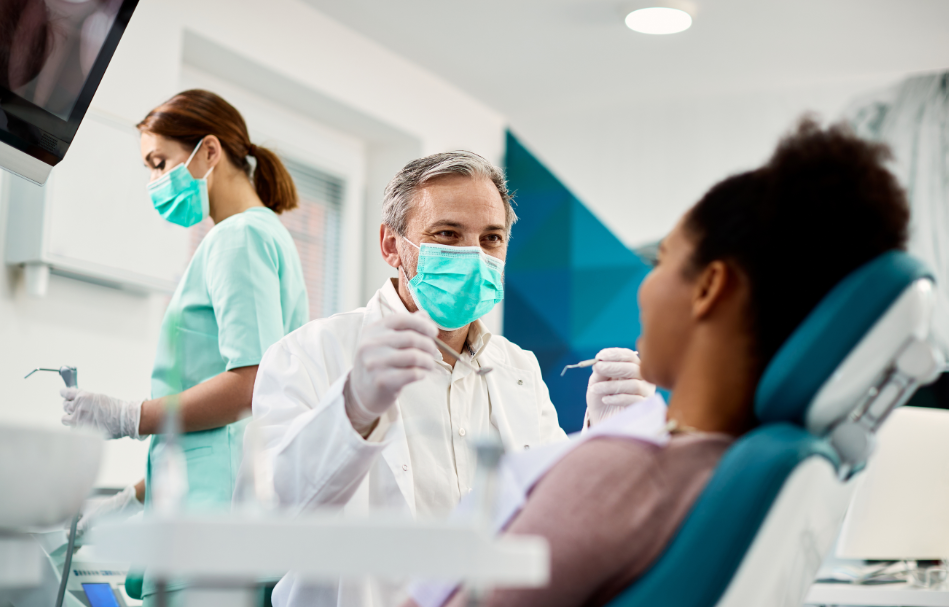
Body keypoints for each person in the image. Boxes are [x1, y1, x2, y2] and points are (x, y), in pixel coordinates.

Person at [408, 118, 911, 607]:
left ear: (710, 288)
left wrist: (599, 449)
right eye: (448, 235)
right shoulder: (740, 466)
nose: (644, 286)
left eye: (662, 260)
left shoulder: (617, 475)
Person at [245, 151, 656, 607]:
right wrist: (353, 409)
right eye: (447, 234)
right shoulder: (310, 352)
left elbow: (552, 517)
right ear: (391, 245)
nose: (473, 255)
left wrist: (605, 436)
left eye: (491, 238)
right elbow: (274, 517)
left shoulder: (518, 368)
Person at [59, 89, 310, 605]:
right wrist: (132, 498)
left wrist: (130, 416)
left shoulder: (238, 238)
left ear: (209, 151)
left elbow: (251, 385)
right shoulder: (262, 236)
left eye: (160, 163)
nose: (155, 181)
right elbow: (219, 437)